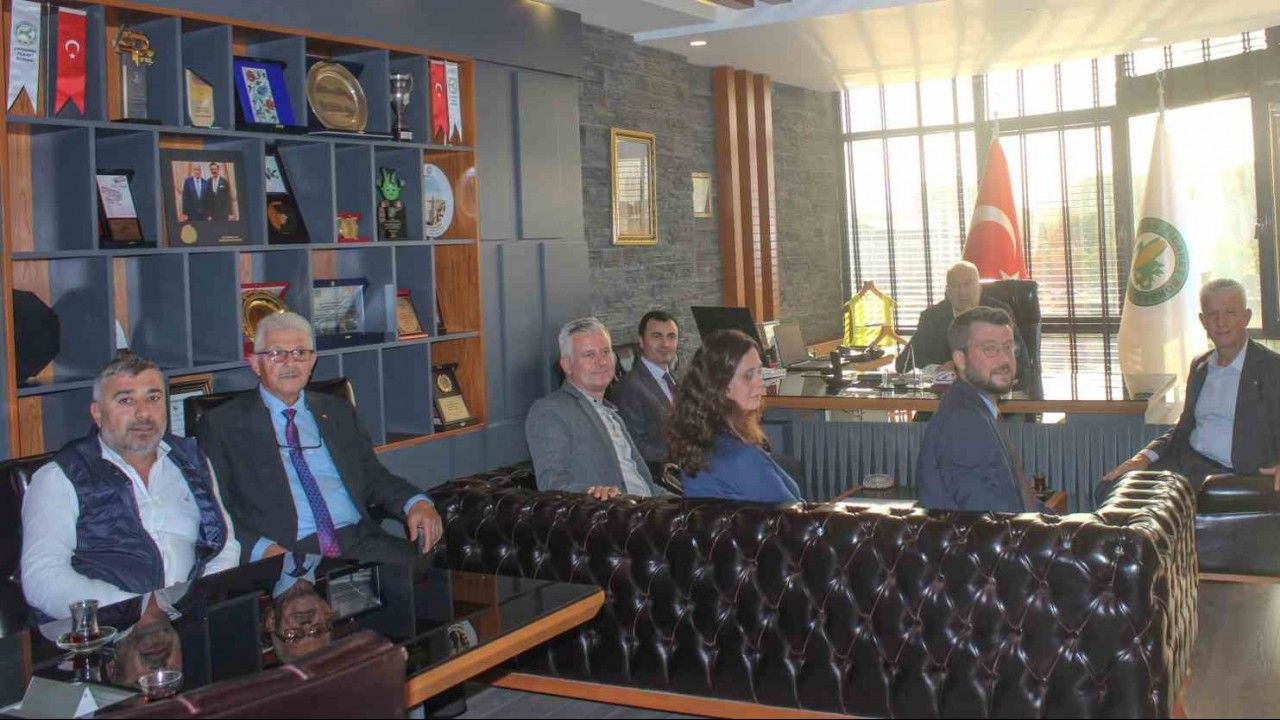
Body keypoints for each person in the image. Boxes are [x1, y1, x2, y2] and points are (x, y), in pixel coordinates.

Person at [195, 312, 441, 566]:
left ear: (312, 361)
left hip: (359, 541)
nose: (290, 363)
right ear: (255, 363)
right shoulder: (222, 424)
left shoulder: (337, 411)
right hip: (287, 551)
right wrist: (263, 550)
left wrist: (416, 503)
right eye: (277, 353)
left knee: (433, 576)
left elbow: (372, 476)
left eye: (300, 352)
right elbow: (215, 509)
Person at [21, 353, 240, 621]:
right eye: (126, 400)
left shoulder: (192, 460)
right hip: (107, 630)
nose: (144, 413)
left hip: (190, 620)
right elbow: (42, 577)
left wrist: (197, 602)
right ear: (97, 413)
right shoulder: (59, 477)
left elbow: (225, 546)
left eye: (153, 398)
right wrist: (135, 610)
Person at [1102, 278, 1280, 491]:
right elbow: (1184, 427)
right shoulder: (1200, 366)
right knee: (1109, 487)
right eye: (1212, 315)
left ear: (1246, 317)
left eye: (1230, 313)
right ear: (1203, 321)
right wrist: (1144, 457)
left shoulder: (1272, 368)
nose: (1221, 322)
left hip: (1236, 476)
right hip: (1186, 464)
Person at [526, 317, 667, 500]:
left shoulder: (611, 413)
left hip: (651, 506)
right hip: (615, 512)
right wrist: (593, 493)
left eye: (606, 352)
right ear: (567, 365)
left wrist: (679, 502)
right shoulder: (550, 411)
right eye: (589, 355)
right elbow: (552, 484)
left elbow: (644, 484)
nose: (601, 362)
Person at [915, 307, 1041, 513]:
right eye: (990, 349)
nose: (1004, 359)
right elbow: (988, 518)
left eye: (1008, 347)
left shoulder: (979, 407)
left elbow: (1017, 501)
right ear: (960, 359)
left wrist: (1060, 525)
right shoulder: (964, 421)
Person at [667, 329, 802, 503]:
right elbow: (794, 514)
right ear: (720, 384)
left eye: (759, 372)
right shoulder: (740, 457)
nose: (760, 383)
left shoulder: (703, 439)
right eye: (748, 375)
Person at [896, 261, 1030, 391]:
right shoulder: (932, 317)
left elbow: (1022, 364)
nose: (962, 291)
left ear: (979, 288)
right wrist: (938, 370)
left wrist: (965, 368)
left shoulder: (999, 314)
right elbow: (903, 364)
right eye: (955, 285)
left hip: (992, 395)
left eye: (968, 284)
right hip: (944, 397)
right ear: (948, 291)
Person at [609, 310, 679, 466]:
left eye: (671, 336)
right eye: (657, 336)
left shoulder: (674, 381)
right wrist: (684, 454)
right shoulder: (629, 388)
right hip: (662, 472)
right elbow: (634, 448)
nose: (665, 344)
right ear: (641, 342)